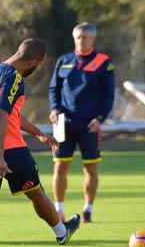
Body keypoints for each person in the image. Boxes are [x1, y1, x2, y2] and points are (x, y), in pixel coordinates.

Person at [0, 39, 81, 247]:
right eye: (37, 66)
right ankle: (62, 232)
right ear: (33, 62)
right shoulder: (15, 77)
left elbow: (8, 113)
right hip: (10, 149)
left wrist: (38, 133)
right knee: (36, 192)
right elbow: (0, 115)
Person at [49, 22, 115, 223]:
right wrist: (54, 109)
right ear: (74, 38)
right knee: (60, 166)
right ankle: (59, 210)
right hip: (63, 123)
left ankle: (88, 209)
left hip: (90, 125)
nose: (81, 40)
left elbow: (108, 95)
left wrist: (100, 119)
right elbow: (54, 89)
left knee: (90, 169)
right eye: (78, 37)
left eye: (85, 37)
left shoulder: (104, 62)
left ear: (93, 39)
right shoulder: (63, 61)